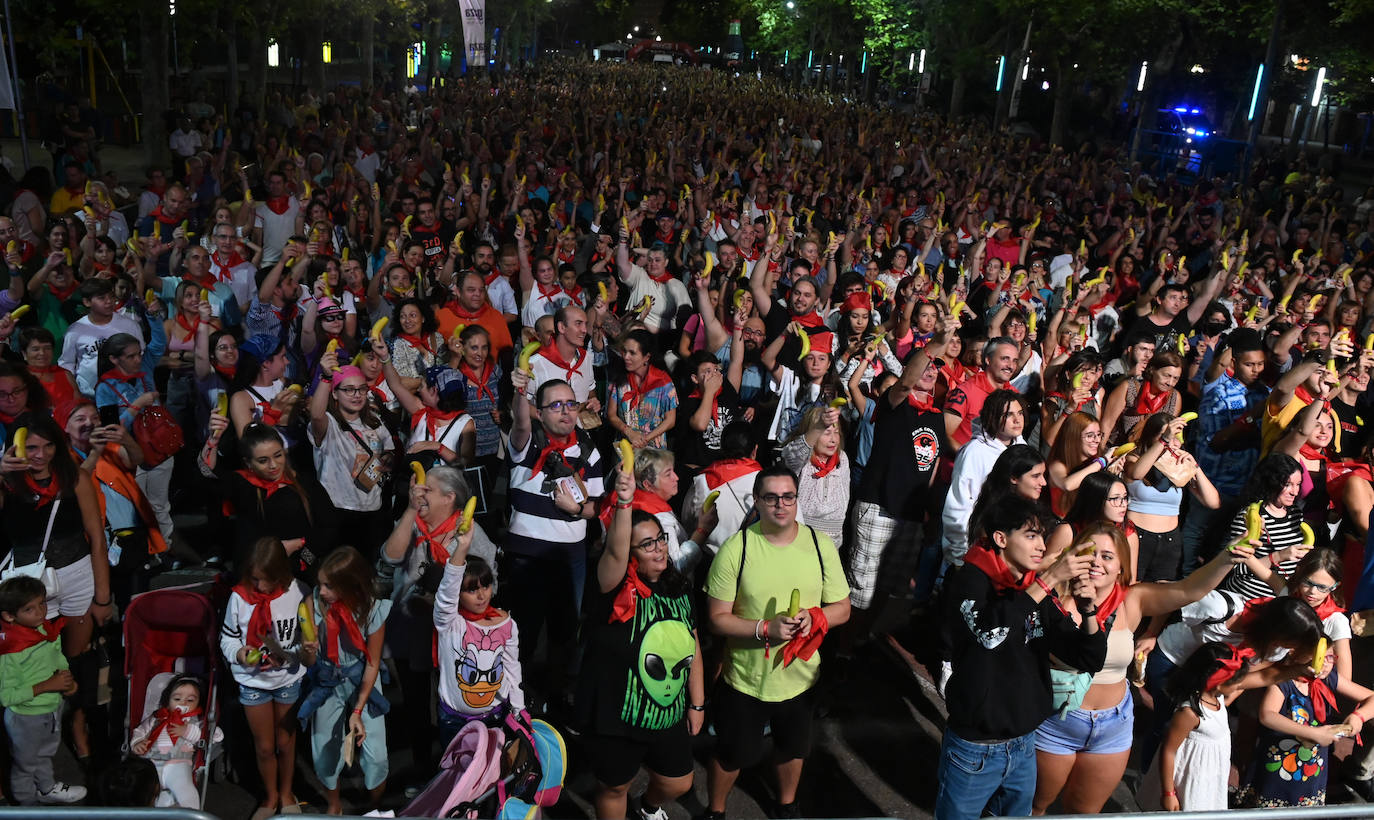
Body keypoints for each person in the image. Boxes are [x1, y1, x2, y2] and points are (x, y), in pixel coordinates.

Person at [1030, 524, 1251, 815]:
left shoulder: (1132, 600)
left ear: (1121, 565)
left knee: (1084, 812)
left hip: (1113, 727)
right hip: (1057, 720)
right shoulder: (1054, 594)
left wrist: (1226, 558)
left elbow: (1190, 589)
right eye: (1090, 552)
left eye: (1107, 556)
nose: (1097, 561)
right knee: (1035, 808)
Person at [936, 496, 1103, 820]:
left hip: (1025, 744)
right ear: (1000, 538)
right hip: (975, 749)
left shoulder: (1034, 587)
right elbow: (989, 636)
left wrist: (1088, 610)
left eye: (1042, 535)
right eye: (1030, 535)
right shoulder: (971, 580)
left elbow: (1087, 658)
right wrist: (1049, 579)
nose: (1041, 545)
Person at [702, 464, 851, 819]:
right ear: (757, 501)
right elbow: (716, 618)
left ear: (798, 499)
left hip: (800, 678)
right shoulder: (736, 549)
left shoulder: (819, 545)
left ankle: (786, 805)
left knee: (793, 748)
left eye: (788, 497)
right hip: (745, 680)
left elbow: (842, 608)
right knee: (731, 754)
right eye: (771, 497)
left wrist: (815, 618)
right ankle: (716, 811)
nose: (781, 505)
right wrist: (763, 629)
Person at [580, 468, 704, 820]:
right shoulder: (613, 589)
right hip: (616, 716)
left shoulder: (678, 585)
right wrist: (622, 502)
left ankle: (648, 808)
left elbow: (693, 644)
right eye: (647, 544)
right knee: (615, 787)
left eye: (660, 539)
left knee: (679, 781)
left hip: (667, 713)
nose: (659, 548)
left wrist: (697, 703)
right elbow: (616, 552)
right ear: (630, 553)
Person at [1, 415, 111, 761]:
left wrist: (103, 597)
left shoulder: (74, 478)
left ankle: (76, 725)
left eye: (48, 446)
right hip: (28, 588)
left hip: (77, 575)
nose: (40, 454)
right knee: (29, 663)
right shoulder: (7, 483)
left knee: (76, 663)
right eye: (31, 447)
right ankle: (29, 739)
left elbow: (96, 538)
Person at [504, 368, 606, 687]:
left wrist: (576, 509)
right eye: (556, 405)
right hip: (526, 555)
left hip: (569, 556)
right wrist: (520, 392)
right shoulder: (527, 440)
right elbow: (520, 421)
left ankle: (557, 700)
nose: (565, 411)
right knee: (523, 632)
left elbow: (598, 507)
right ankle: (517, 702)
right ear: (540, 411)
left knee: (564, 634)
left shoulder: (589, 450)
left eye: (570, 404)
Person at [298, 547, 391, 816]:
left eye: (329, 585)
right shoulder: (311, 604)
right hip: (327, 677)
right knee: (325, 751)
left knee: (377, 755)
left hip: (361, 675)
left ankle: (373, 807)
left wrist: (358, 711)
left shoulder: (372, 608)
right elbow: (307, 664)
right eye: (320, 583)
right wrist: (308, 652)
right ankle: (334, 804)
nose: (322, 590)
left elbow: (372, 663)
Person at [220, 538, 308, 819]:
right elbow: (228, 639)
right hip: (253, 683)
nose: (259, 587)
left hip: (287, 680)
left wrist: (287, 656)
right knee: (266, 746)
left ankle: (286, 793)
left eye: (266, 581)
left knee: (286, 742)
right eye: (255, 579)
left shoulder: (297, 593)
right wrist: (241, 654)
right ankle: (270, 797)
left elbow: (305, 641)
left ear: (281, 575)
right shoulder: (238, 597)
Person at [1236, 641, 1374, 807]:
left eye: (1330, 657)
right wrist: (1313, 733)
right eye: (1319, 657)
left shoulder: (1329, 679)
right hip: (1276, 773)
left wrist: (1359, 716)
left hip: (1311, 776)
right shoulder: (1284, 680)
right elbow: (1267, 715)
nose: (1324, 663)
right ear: (1295, 653)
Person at [0, 576, 84, 805]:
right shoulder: (11, 651)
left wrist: (67, 682)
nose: (40, 612)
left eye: (42, 603)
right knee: (25, 765)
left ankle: (47, 788)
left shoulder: (43, 630)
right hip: (26, 717)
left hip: (51, 708)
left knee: (46, 753)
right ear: (9, 616)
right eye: (29, 609)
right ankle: (26, 806)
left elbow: (57, 657)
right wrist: (48, 686)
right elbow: (6, 696)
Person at [1137, 642, 1246, 811]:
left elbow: (1258, 680)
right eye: (1236, 681)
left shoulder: (1218, 700)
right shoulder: (1190, 713)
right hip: (1188, 779)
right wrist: (1168, 793)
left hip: (1207, 778)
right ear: (1219, 682)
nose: (1239, 685)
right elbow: (1168, 750)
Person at [942, 389, 1027, 568]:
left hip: (1007, 547)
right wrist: (960, 555)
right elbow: (958, 505)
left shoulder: (1021, 446)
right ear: (993, 417)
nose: (1018, 419)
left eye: (1020, 413)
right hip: (974, 551)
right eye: (1009, 414)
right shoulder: (974, 452)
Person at [129, 675, 222, 809]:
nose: (183, 703)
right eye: (177, 699)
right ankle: (158, 808)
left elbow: (217, 736)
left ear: (198, 703)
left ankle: (190, 813)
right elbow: (139, 731)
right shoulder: (158, 717)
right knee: (143, 791)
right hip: (149, 764)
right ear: (168, 701)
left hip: (178, 763)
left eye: (190, 700)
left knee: (185, 790)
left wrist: (187, 731)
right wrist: (136, 742)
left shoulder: (196, 722)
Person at [780, 406, 849, 548]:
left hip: (833, 540)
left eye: (836, 433)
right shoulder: (803, 461)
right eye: (826, 432)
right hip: (802, 537)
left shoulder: (842, 459)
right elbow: (791, 454)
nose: (833, 440)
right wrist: (819, 427)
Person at [608, 329, 678, 450]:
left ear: (646, 357)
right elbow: (611, 415)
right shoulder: (620, 380)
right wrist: (629, 432)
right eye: (624, 351)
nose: (626, 357)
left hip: (653, 452)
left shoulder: (663, 382)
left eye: (632, 353)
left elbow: (670, 420)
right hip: (624, 448)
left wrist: (644, 439)